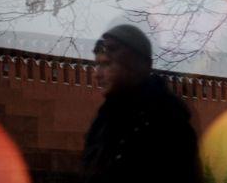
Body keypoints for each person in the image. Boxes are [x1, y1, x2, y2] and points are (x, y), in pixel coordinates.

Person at [82, 24, 203, 183]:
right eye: (97, 65)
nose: (97, 75)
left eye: (106, 64)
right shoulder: (103, 122)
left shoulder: (166, 123)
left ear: (135, 65)